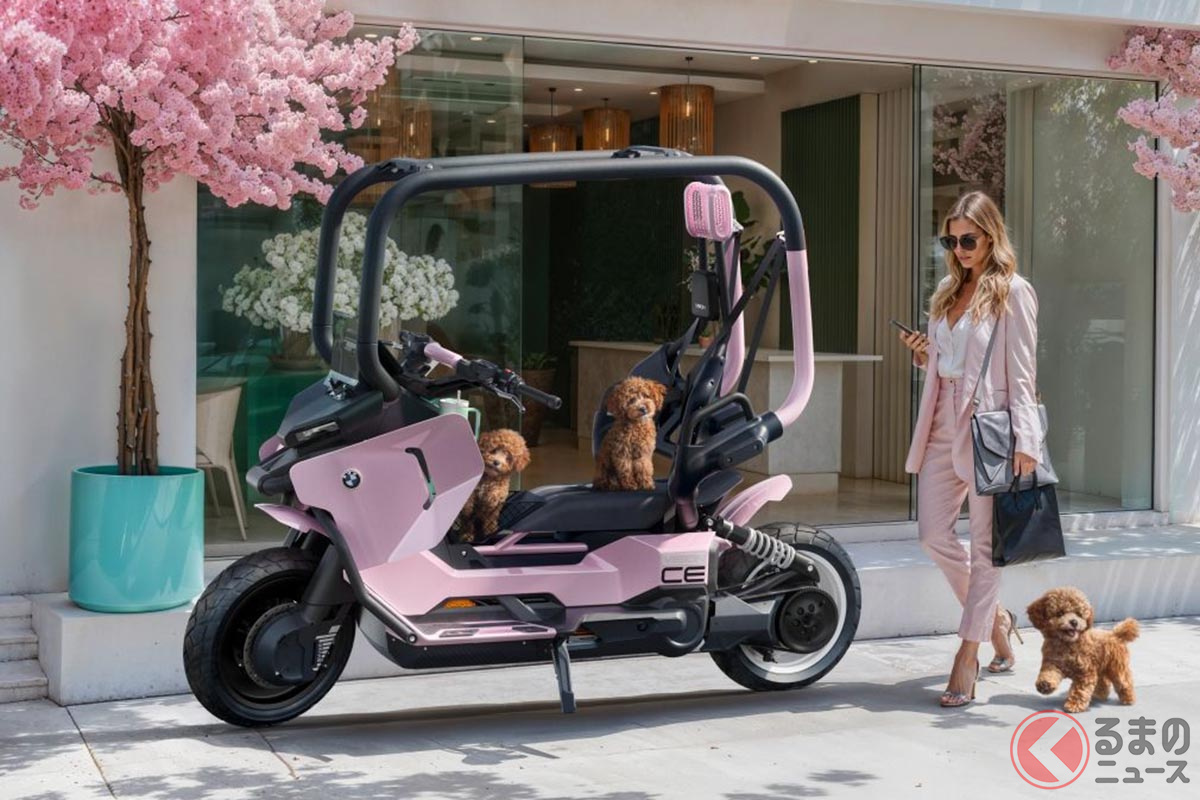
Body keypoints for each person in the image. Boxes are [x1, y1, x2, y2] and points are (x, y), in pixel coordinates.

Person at [899, 191, 1040, 708]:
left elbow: (1021, 372)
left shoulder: (1013, 292)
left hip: (988, 427)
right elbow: (950, 359)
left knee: (985, 547)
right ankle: (995, 619)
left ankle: (967, 653)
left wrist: (1027, 439)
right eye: (950, 241)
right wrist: (924, 356)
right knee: (933, 535)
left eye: (968, 240)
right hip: (940, 421)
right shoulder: (946, 290)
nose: (958, 249)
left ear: (990, 236)